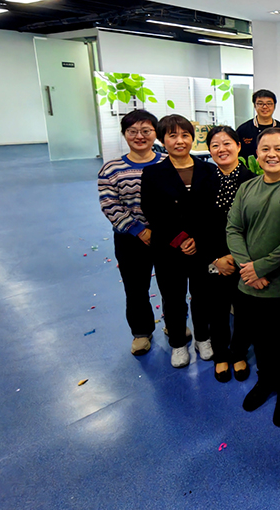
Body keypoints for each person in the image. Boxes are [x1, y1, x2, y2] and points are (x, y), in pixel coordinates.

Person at [227, 128, 280, 423]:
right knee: (260, 339)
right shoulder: (247, 188)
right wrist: (247, 268)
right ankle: (265, 382)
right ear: (256, 154)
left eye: (279, 149)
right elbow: (233, 229)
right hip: (249, 285)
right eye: (265, 149)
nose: (271, 154)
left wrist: (261, 267)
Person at [141, 114, 218, 368]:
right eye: (172, 135)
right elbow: (152, 212)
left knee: (202, 295)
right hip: (168, 248)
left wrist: (197, 239)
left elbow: (212, 211)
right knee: (173, 297)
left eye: (185, 135)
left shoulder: (208, 170)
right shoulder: (152, 173)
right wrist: (181, 239)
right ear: (162, 140)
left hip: (201, 246)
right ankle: (177, 343)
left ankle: (203, 338)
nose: (180, 141)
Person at [98, 109, 166, 355]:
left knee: (172, 284)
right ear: (124, 134)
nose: (139, 136)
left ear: (155, 134)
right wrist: (139, 231)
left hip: (166, 235)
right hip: (130, 238)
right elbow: (110, 204)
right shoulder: (111, 169)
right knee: (136, 288)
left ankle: (174, 323)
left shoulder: (167, 162)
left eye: (146, 131)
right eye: (132, 131)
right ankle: (141, 332)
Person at [200, 126, 254, 382]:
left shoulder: (253, 180)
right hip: (215, 258)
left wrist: (239, 257)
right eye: (215, 145)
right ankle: (221, 354)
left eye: (227, 143)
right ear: (210, 151)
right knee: (217, 308)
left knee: (243, 309)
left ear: (238, 146)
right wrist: (215, 258)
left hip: (244, 259)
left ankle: (239, 353)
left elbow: (256, 225)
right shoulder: (203, 181)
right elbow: (197, 222)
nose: (221, 149)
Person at [236, 89, 280, 160]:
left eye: (269, 104)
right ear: (254, 105)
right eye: (260, 104)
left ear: (274, 106)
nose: (265, 107)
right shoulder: (243, 130)